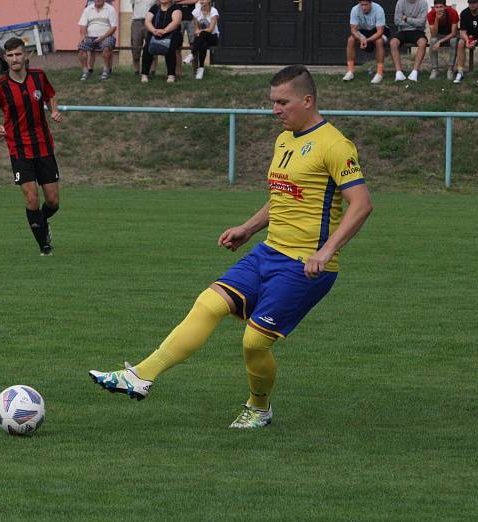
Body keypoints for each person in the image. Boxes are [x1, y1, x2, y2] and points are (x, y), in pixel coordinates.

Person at [89, 65, 373, 429]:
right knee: (208, 303)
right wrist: (248, 228)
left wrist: (326, 252)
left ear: (307, 100)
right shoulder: (285, 140)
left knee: (254, 343)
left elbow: (361, 204)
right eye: (273, 103)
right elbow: (284, 198)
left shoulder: (335, 145)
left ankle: (259, 407)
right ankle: (140, 376)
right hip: (268, 252)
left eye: (282, 102)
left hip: (304, 266)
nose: (275, 110)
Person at [0, 37, 63, 257]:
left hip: (43, 146)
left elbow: (50, 95)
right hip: (18, 149)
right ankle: (44, 247)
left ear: (26, 55)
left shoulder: (38, 77)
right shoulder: (0, 86)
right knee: (31, 198)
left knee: (53, 201)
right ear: (5, 58)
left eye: (18, 54)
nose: (14, 59)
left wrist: (53, 110)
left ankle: (41, 220)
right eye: (10, 56)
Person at [343, 0, 387, 84]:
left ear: (371, 3)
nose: (363, 7)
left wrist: (366, 40)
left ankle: (380, 73)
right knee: (350, 40)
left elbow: (380, 32)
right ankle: (350, 71)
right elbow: (353, 30)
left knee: (379, 41)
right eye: (361, 5)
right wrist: (360, 39)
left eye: (366, 5)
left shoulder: (379, 9)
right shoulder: (355, 10)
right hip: (363, 31)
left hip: (377, 31)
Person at [141, 0, 182, 83]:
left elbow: (176, 22)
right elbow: (147, 21)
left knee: (170, 47)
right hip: (155, 33)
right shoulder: (154, 7)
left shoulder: (176, 8)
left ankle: (171, 75)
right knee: (147, 48)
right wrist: (154, 30)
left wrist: (164, 31)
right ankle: (144, 74)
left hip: (172, 34)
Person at [77, 0, 117, 81]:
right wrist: (84, 36)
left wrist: (103, 37)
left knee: (107, 47)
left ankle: (106, 70)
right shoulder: (88, 9)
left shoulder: (110, 9)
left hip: (106, 36)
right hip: (90, 37)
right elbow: (83, 24)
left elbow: (113, 27)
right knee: (81, 48)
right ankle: (85, 71)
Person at [390, 0, 428, 82]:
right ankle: (398, 72)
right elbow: (397, 21)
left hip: (418, 31)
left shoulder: (423, 3)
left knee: (423, 42)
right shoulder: (400, 2)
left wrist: (406, 19)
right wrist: (415, 20)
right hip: (403, 31)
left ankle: (414, 72)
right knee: (393, 43)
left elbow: (421, 23)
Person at [427, 0, 458, 80]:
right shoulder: (430, 14)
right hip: (438, 34)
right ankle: (435, 69)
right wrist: (437, 19)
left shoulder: (452, 12)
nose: (439, 9)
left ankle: (450, 69)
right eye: (437, 7)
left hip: (451, 34)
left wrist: (440, 42)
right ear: (434, 8)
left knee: (454, 41)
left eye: (441, 7)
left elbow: (454, 33)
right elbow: (433, 34)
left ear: (445, 7)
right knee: (433, 40)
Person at [191, 0, 219, 80]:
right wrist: (198, 32)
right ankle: (201, 68)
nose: (202, 1)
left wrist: (199, 32)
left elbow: (210, 29)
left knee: (202, 34)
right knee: (203, 44)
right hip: (202, 38)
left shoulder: (214, 11)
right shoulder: (196, 11)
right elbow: (196, 28)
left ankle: (193, 54)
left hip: (213, 37)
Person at [130, 0, 155, 75]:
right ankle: (137, 70)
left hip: (151, 21)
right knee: (135, 46)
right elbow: (133, 6)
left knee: (152, 45)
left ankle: (152, 70)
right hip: (137, 21)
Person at [175, 0, 197, 75]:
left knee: (194, 46)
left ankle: (195, 71)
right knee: (177, 46)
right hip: (178, 19)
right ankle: (178, 72)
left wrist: (178, 2)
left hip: (191, 19)